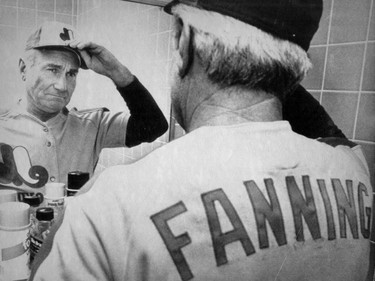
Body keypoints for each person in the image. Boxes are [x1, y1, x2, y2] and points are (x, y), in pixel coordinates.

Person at [30, 1, 373, 281]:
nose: (61, 85)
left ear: (182, 40)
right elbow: (328, 131)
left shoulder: (107, 208)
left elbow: (150, 125)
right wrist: (273, 55)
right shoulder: (352, 168)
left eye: (69, 73)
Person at [0, 21, 168, 191]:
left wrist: (115, 71)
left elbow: (154, 126)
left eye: (71, 74)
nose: (62, 86)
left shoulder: (92, 125)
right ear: (23, 69)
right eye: (52, 70)